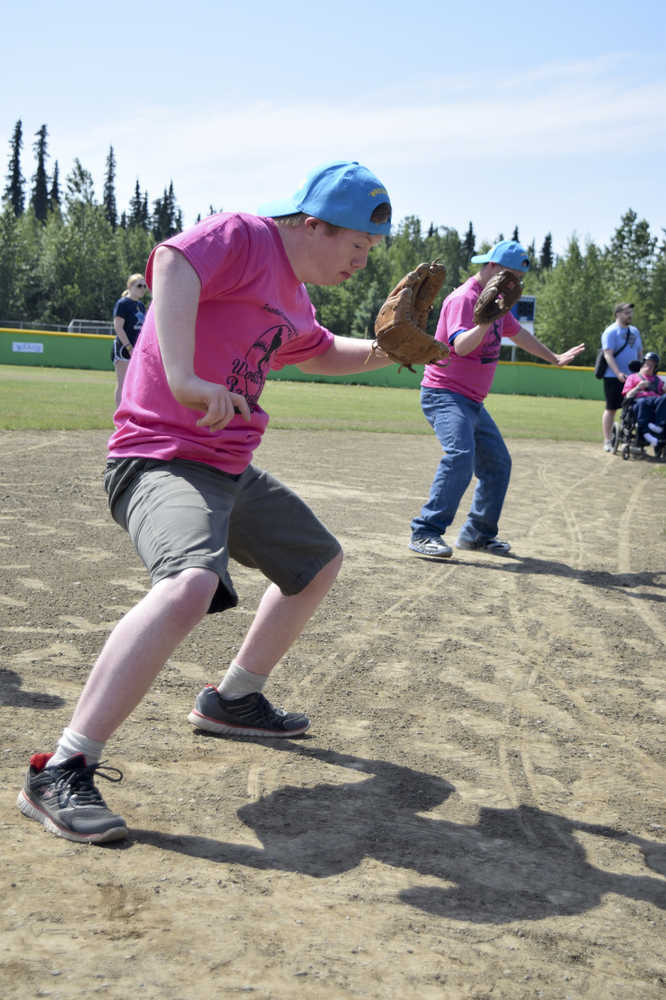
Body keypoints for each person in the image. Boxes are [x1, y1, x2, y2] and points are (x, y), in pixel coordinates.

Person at [17, 160, 396, 844]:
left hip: (227, 467)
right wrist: (185, 376)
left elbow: (317, 353)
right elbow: (172, 263)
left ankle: (234, 699)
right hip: (160, 457)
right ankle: (63, 767)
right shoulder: (246, 237)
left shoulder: (294, 298)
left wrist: (392, 350)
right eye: (356, 245)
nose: (362, 263)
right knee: (191, 583)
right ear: (311, 224)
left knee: (315, 563)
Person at [409, 240, 585, 559]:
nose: (514, 283)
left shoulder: (498, 300)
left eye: (518, 279)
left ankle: (478, 534)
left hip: (472, 401)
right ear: (491, 267)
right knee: (461, 455)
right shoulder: (465, 299)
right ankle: (425, 531)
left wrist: (553, 357)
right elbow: (460, 346)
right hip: (445, 394)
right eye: (510, 275)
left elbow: (518, 334)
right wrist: (487, 319)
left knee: (498, 464)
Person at [601, 302, 643, 452]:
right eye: (626, 312)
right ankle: (607, 440)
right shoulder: (611, 332)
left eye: (630, 312)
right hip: (614, 377)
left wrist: (641, 373)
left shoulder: (634, 332)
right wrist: (618, 373)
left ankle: (632, 440)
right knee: (611, 408)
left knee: (635, 408)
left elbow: (639, 353)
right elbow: (608, 354)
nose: (629, 315)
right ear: (618, 314)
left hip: (633, 378)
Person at [111, 273, 148, 408]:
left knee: (134, 384)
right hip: (123, 348)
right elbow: (118, 327)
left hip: (136, 350)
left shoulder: (140, 305)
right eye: (139, 285)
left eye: (144, 286)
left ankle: (130, 413)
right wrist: (129, 347)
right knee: (122, 383)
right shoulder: (123, 303)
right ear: (130, 286)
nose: (142, 288)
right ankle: (119, 419)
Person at [621, 351, 666, 450]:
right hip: (638, 401)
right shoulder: (632, 377)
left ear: (655, 367)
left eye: (652, 364)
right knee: (643, 402)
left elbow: (662, 397)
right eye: (648, 363)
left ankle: (659, 426)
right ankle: (646, 433)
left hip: (655, 402)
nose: (649, 366)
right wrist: (638, 387)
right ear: (643, 364)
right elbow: (627, 395)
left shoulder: (658, 380)